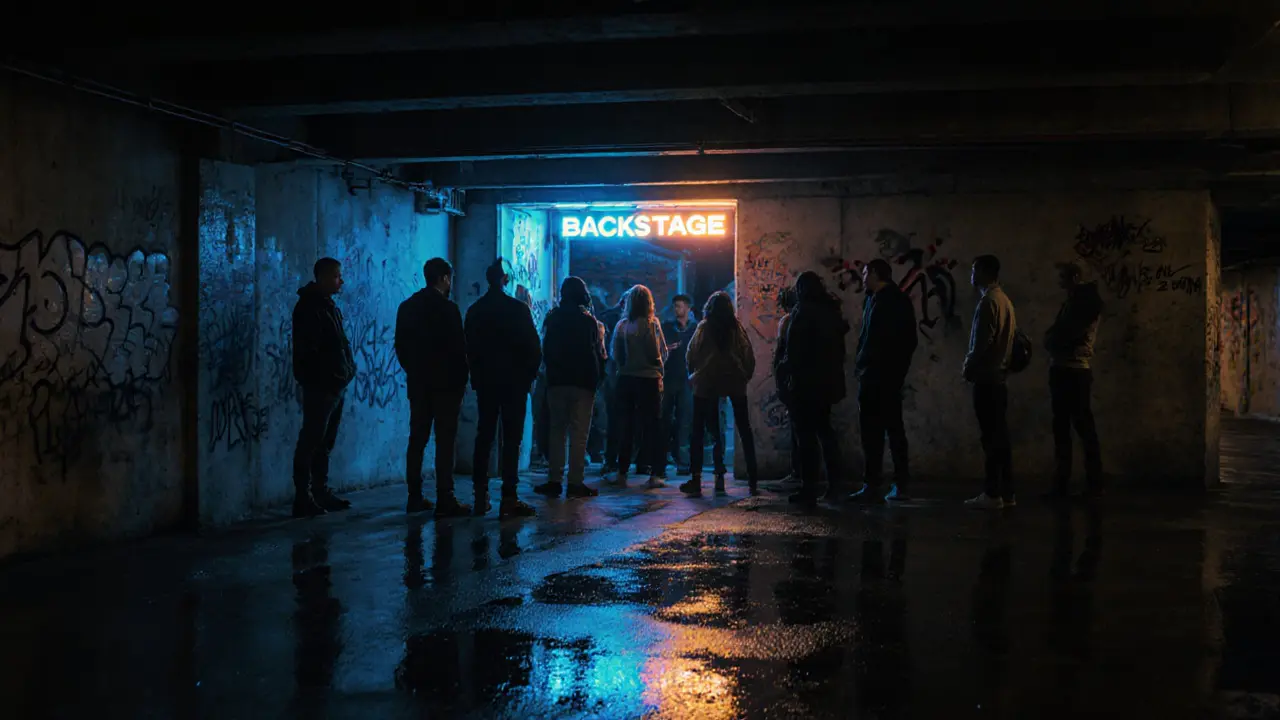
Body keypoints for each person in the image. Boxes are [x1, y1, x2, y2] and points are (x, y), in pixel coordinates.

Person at [464, 259, 542, 518]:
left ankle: (480, 495)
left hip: (487, 382)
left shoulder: (475, 310)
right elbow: (534, 348)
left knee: (484, 436)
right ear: (505, 280)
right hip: (514, 383)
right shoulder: (518, 309)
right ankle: (509, 497)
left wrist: (477, 377)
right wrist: (528, 377)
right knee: (511, 439)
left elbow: (469, 349)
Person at [395, 257, 470, 517]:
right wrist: (461, 380)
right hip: (446, 386)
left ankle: (414, 496)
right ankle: (445, 497)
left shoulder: (407, 307)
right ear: (444, 278)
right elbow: (459, 350)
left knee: (417, 439)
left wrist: (415, 371)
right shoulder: (449, 309)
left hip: (419, 383)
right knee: (445, 442)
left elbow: (401, 346)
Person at [291, 258, 358, 517]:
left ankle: (319, 492)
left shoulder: (328, 306)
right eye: (337, 276)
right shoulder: (310, 308)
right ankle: (303, 497)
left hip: (334, 384)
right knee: (311, 440)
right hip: (322, 386)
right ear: (323, 277)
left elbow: (337, 344)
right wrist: (330, 375)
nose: (341, 281)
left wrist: (346, 371)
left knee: (324, 442)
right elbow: (310, 352)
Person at [849, 259, 919, 504]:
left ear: (875, 273)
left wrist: (890, 370)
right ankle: (879, 484)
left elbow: (904, 340)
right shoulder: (876, 299)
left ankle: (891, 484)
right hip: (876, 376)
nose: (863, 278)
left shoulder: (892, 301)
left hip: (882, 377)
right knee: (878, 432)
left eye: (865, 273)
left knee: (885, 431)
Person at [780, 271, 850, 505]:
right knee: (825, 432)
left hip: (805, 384)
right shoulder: (830, 312)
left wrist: (786, 372)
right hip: (827, 383)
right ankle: (834, 484)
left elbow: (795, 350)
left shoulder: (802, 312)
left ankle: (809, 487)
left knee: (806, 437)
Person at [534, 276, 608, 498]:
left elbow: (546, 349)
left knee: (557, 430)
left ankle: (554, 479)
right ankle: (575, 482)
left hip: (557, 381)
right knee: (579, 433)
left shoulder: (553, 318)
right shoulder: (589, 321)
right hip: (583, 383)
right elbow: (597, 352)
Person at [680, 292, 759, 496]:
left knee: (700, 431)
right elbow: (748, 355)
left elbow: (691, 354)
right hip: (735, 381)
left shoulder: (704, 327)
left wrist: (693, 374)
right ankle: (753, 478)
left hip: (706, 382)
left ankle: (698, 478)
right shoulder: (736, 328)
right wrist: (745, 376)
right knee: (744, 429)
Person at [1044, 261, 1104, 500]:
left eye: (1063, 277)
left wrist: (1051, 339)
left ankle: (1086, 484)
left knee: (1076, 427)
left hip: (1072, 370)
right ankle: (1079, 483)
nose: (1060, 282)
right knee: (1073, 427)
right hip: (1071, 369)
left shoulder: (1083, 303)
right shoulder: (1079, 302)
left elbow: (1061, 335)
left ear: (1075, 277)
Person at [963, 254, 1018, 509]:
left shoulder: (988, 302)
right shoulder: (1005, 301)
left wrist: (968, 367)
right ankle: (1007, 492)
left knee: (990, 439)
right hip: (1000, 378)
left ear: (985, 272)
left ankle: (992, 493)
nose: (971, 274)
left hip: (987, 379)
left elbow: (981, 343)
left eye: (974, 269)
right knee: (1000, 438)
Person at [611, 285, 668, 488]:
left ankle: (622, 472)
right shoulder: (652, 324)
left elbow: (615, 354)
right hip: (649, 380)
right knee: (652, 427)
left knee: (626, 426)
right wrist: (659, 367)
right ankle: (655, 474)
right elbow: (658, 352)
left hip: (626, 380)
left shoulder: (621, 325)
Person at [658, 294, 698, 478]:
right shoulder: (667, 327)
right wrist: (667, 349)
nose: (676, 309)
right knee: (665, 419)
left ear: (688, 308)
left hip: (687, 380)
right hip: (669, 378)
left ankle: (683, 462)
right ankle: (662, 461)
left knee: (685, 421)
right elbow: (659, 349)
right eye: (675, 306)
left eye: (680, 306)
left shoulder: (695, 329)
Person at [771, 288, 802, 490]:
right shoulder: (805, 319)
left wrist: (778, 376)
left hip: (792, 381)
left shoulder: (788, 321)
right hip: (807, 380)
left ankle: (797, 472)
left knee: (797, 429)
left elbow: (780, 351)